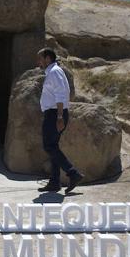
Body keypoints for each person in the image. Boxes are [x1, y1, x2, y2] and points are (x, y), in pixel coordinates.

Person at [36, 47, 84, 194]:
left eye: (40, 58)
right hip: (53, 114)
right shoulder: (52, 72)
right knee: (53, 147)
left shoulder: (54, 72)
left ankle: (73, 173)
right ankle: (54, 182)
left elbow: (61, 95)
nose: (38, 62)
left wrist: (59, 116)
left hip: (55, 115)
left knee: (49, 146)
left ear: (48, 58)